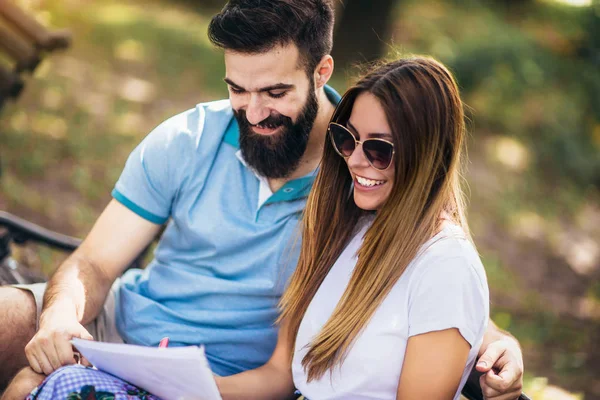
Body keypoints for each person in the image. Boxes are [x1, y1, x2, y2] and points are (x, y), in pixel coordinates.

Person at [0, 1, 523, 399]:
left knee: (36, 385)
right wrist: (59, 319)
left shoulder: (366, 166)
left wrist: (494, 337)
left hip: (223, 376)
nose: (251, 113)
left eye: (274, 93)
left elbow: (431, 257)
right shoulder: (188, 138)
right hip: (122, 327)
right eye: (236, 89)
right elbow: (92, 262)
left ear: (321, 72)